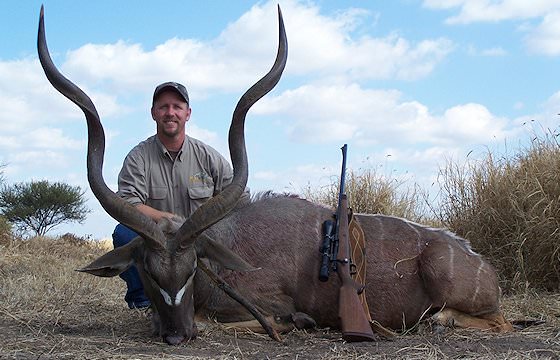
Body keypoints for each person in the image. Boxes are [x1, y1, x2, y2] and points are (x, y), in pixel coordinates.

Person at [113, 81, 247, 309]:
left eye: (177, 106)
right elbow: (127, 203)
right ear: (154, 113)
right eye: (163, 107)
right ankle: (144, 303)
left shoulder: (207, 156)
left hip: (198, 242)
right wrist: (166, 219)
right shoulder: (138, 157)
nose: (170, 113)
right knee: (124, 234)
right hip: (159, 242)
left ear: (187, 114)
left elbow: (238, 198)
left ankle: (213, 298)